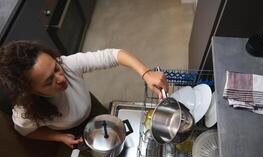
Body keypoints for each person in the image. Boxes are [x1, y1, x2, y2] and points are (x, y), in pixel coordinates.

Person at [0, 40, 169, 148]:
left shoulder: (66, 64)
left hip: (90, 105)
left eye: (56, 68)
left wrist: (146, 73)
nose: (60, 78)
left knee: (107, 123)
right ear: (31, 90)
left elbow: (113, 55)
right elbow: (26, 132)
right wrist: (58, 137)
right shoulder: (25, 111)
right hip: (73, 129)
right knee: (99, 148)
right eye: (48, 81)